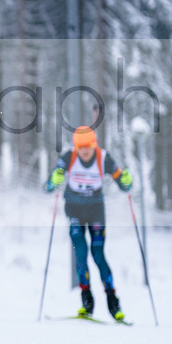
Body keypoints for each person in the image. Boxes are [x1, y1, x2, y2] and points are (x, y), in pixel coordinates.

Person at [44, 125, 132, 320]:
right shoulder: (68, 157)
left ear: (94, 144)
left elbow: (124, 185)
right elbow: (48, 187)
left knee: (98, 255)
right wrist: (54, 180)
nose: (84, 150)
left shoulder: (104, 158)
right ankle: (87, 302)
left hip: (95, 212)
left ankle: (113, 303)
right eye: (80, 146)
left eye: (88, 146)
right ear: (76, 147)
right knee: (81, 254)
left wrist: (127, 181)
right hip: (74, 210)